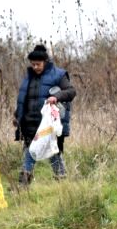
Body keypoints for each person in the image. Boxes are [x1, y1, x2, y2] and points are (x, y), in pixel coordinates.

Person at [13, 44, 76, 186]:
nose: (35, 67)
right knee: (30, 152)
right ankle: (23, 186)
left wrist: (56, 97)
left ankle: (61, 182)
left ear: (45, 62)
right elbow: (25, 100)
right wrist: (17, 116)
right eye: (33, 64)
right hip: (29, 124)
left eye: (38, 64)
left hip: (48, 125)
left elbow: (71, 91)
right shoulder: (28, 78)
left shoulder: (58, 75)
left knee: (53, 152)